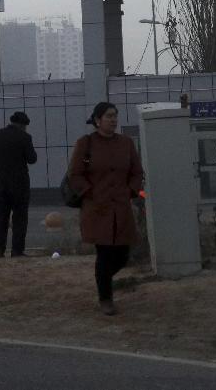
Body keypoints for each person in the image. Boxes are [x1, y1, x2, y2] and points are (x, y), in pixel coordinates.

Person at [66, 101, 144, 316]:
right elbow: (75, 174)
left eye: (115, 116)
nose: (113, 120)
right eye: (109, 116)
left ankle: (103, 279)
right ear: (97, 120)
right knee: (104, 253)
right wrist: (89, 192)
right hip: (97, 208)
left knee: (122, 254)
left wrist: (131, 190)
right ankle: (106, 298)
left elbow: (137, 172)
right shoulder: (86, 144)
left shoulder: (126, 143)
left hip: (121, 207)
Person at [0, 111, 38, 257]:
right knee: (20, 217)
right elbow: (32, 159)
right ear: (23, 125)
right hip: (20, 184)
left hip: (1, 184)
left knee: (1, 216)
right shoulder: (25, 137)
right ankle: (17, 250)